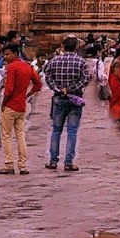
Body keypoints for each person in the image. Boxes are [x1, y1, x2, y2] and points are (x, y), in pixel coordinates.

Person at [0, 42, 42, 175]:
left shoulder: (11, 67)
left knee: (6, 135)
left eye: (7, 54)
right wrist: (28, 94)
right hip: (22, 105)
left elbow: (8, 90)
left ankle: (9, 164)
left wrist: (4, 103)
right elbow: (38, 83)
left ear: (15, 54)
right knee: (20, 135)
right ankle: (22, 165)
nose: (5, 57)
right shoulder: (27, 66)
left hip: (10, 105)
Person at [43, 35, 89, 171]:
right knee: (72, 131)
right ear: (76, 47)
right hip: (75, 98)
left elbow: (48, 77)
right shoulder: (81, 62)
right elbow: (85, 79)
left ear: (62, 46)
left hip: (58, 98)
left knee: (56, 130)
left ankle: (53, 161)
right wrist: (72, 88)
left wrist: (59, 89)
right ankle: (68, 162)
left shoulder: (54, 61)